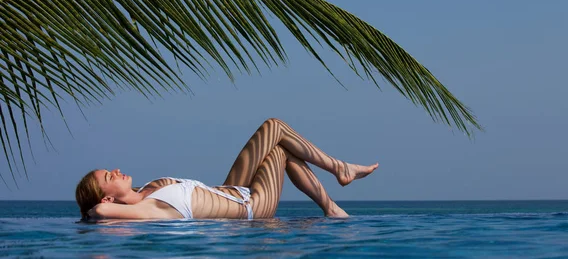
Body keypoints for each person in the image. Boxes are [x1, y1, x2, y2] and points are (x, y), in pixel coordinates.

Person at [76, 118, 378, 220]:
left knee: (275, 131)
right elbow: (99, 214)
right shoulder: (146, 210)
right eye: (108, 177)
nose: (115, 171)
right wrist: (92, 211)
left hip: (229, 189)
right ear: (106, 199)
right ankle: (340, 176)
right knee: (280, 142)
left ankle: (333, 203)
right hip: (251, 206)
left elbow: (101, 210)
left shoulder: (146, 190)